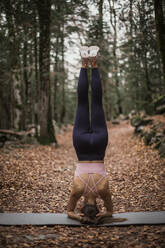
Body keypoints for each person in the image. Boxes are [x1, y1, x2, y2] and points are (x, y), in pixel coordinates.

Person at [67, 46, 113, 224]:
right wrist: (75, 215)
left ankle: (93, 62)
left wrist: (106, 214)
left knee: (97, 102)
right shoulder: (77, 190)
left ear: (98, 208)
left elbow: (110, 211)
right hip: (81, 144)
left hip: (100, 143)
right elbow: (69, 211)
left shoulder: (103, 190)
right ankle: (84, 62)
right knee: (82, 103)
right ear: (82, 207)